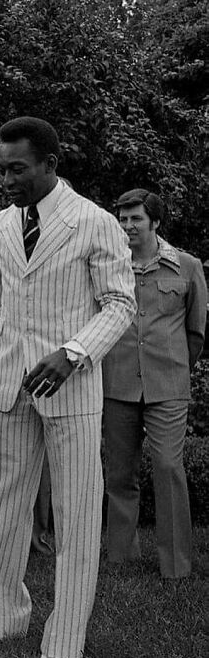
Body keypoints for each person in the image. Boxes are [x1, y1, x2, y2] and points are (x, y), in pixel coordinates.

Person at [0, 117, 136, 658]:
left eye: (17, 168)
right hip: (9, 388)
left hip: (72, 391)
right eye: (1, 168)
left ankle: (62, 643)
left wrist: (73, 353)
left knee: (77, 515)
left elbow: (120, 305)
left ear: (50, 164)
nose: (6, 178)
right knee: (3, 506)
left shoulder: (95, 222)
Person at [102, 189, 207, 579]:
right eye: (123, 218)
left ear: (155, 222)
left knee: (167, 466)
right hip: (118, 384)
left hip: (168, 387)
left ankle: (176, 566)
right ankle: (121, 558)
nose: (128, 226)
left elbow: (195, 332)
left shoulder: (187, 266)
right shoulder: (110, 265)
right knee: (119, 474)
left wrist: (176, 368)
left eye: (136, 219)